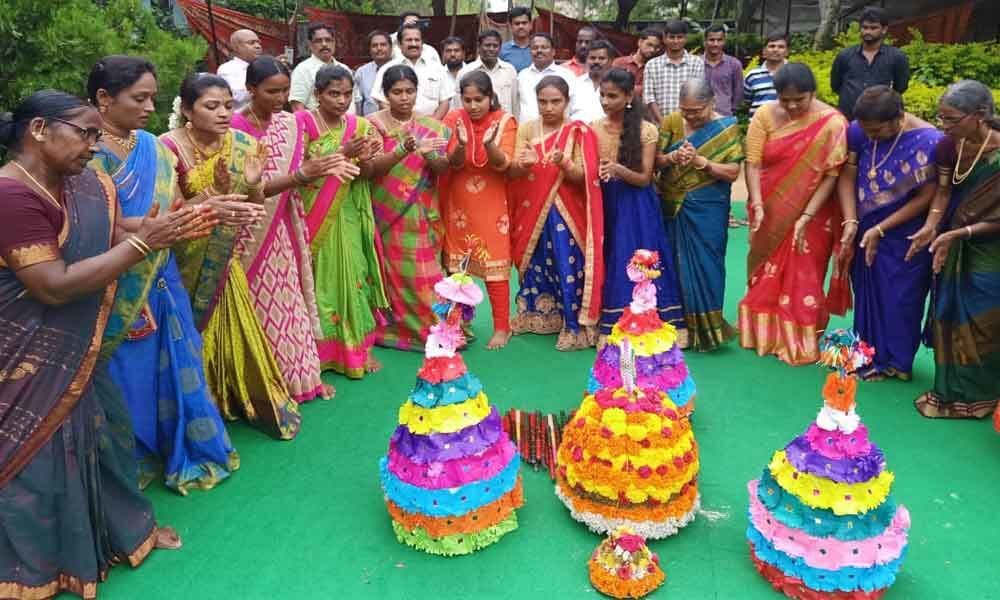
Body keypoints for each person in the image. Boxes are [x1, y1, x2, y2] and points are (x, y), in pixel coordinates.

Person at [0, 89, 190, 599]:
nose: (95, 142)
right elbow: (52, 284)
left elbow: (100, 236)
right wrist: (143, 243)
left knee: (101, 433)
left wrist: (153, 227)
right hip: (22, 356)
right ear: (39, 130)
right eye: (85, 132)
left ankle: (113, 534)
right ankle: (31, 569)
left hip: (74, 351)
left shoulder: (79, 184)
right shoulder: (10, 196)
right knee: (32, 455)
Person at [88, 55, 239, 493]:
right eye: (139, 98)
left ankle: (179, 445)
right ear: (103, 98)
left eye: (153, 97)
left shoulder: (153, 147)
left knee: (176, 354)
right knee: (125, 368)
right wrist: (152, 231)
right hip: (115, 273)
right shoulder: (84, 153)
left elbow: (173, 210)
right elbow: (96, 226)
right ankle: (129, 455)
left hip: (161, 271)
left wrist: (211, 207)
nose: (151, 107)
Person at [161, 73, 302, 439]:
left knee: (233, 324)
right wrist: (210, 201)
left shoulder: (243, 144)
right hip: (184, 258)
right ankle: (197, 408)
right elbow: (168, 210)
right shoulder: (167, 148)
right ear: (188, 111)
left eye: (227, 105)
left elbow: (254, 203)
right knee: (189, 331)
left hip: (225, 255)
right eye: (212, 106)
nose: (224, 113)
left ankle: (232, 397)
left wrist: (254, 185)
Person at [232, 56, 356, 402]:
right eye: (272, 91)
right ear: (250, 89)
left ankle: (303, 377)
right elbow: (245, 190)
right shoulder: (235, 130)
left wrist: (333, 160)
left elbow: (303, 169)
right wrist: (302, 175)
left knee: (292, 300)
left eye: (285, 90)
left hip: (285, 222)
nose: (280, 98)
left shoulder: (289, 123)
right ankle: (265, 386)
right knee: (260, 305)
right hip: (251, 231)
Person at [739, 63, 850, 365]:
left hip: (815, 211)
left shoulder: (832, 123)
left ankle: (798, 341)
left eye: (799, 100)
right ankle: (763, 335)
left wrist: (805, 216)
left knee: (805, 271)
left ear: (812, 93)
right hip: (770, 203)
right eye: (784, 100)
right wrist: (759, 203)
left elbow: (831, 175)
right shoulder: (763, 115)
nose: (790, 106)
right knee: (764, 267)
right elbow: (753, 163)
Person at [834, 86, 940, 381]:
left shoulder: (929, 140)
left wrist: (882, 228)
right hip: (865, 221)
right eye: (867, 130)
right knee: (868, 288)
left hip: (907, 230)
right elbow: (849, 173)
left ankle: (897, 362)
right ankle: (868, 356)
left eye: (877, 130)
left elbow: (926, 197)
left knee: (901, 295)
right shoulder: (858, 130)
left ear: (899, 118)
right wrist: (851, 220)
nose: (871, 137)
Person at [910, 80, 1000, 425]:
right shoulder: (949, 146)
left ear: (979, 116)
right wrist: (931, 227)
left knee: (985, 318)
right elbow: (944, 193)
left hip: (992, 249)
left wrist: (959, 232)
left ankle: (983, 394)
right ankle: (953, 392)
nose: (943, 127)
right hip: (955, 239)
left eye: (951, 119)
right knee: (950, 311)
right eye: (941, 118)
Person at [298, 65, 389, 378]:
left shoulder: (360, 124)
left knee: (355, 273)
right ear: (317, 94)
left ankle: (360, 348)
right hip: (315, 214)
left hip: (349, 210)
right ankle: (321, 352)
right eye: (333, 94)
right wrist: (341, 152)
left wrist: (363, 159)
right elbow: (298, 170)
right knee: (322, 278)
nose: (341, 100)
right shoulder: (304, 122)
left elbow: (369, 173)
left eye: (347, 94)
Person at [508, 75, 605, 350]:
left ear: (567, 101)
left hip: (566, 212)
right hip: (532, 211)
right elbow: (513, 171)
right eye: (542, 102)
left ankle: (573, 325)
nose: (548, 107)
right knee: (536, 262)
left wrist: (564, 162)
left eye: (555, 101)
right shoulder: (527, 129)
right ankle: (537, 315)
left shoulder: (578, 131)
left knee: (567, 262)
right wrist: (524, 165)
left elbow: (582, 178)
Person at [594, 68, 686, 340]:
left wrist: (618, 170)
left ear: (628, 97)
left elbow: (645, 178)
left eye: (612, 96)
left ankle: (650, 322)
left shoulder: (646, 130)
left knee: (633, 257)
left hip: (636, 204)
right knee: (609, 256)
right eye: (602, 95)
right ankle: (611, 319)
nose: (605, 101)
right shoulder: (593, 127)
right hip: (605, 200)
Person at [367, 65, 450, 351]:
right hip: (383, 209)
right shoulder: (372, 125)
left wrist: (429, 155)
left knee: (423, 270)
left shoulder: (432, 127)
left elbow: (443, 167)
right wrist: (402, 146)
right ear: (385, 94)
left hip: (419, 211)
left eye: (409, 91)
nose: (404, 97)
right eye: (397, 92)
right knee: (389, 270)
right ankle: (393, 328)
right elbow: (370, 169)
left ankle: (436, 327)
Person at [656, 79, 743, 351]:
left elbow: (732, 173)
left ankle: (708, 331)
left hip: (709, 207)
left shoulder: (727, 128)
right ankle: (676, 326)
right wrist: (672, 158)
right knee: (672, 261)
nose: (691, 116)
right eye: (686, 111)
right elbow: (654, 159)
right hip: (672, 204)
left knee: (708, 262)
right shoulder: (671, 122)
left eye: (697, 111)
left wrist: (701, 162)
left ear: (711, 103)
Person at [442, 71, 518, 349]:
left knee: (495, 265)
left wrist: (487, 143)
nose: (473, 106)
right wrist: (461, 144)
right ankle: (456, 325)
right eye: (468, 99)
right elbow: (452, 163)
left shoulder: (505, 121)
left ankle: (502, 327)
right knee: (457, 266)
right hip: (459, 200)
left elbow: (503, 165)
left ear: (490, 97)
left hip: (493, 201)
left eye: (479, 100)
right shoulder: (453, 118)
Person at [831, 6, 910, 122]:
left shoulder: (897, 57)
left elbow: (900, 87)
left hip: (881, 119)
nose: (868, 31)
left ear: (884, 29)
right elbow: (836, 85)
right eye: (865, 27)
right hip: (848, 116)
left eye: (873, 28)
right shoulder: (845, 55)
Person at [371, 23, 455, 119]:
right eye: (409, 40)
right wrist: (403, 124)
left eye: (417, 40)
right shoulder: (387, 68)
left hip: (431, 128)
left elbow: (445, 101)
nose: (413, 44)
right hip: (398, 130)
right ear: (399, 44)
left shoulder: (437, 68)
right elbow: (381, 101)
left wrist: (431, 124)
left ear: (422, 42)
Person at [643, 20, 704, 124]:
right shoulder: (652, 65)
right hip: (660, 125)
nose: (675, 41)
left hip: (689, 124)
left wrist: (685, 123)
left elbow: (698, 94)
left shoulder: (696, 62)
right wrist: (664, 123)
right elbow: (649, 97)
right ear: (664, 38)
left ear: (685, 38)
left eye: (679, 37)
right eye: (671, 37)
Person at [290, 23, 356, 112]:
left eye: (328, 40)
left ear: (334, 42)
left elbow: (354, 101)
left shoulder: (345, 69)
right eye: (318, 41)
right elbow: (297, 106)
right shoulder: (302, 70)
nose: (324, 44)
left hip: (349, 124)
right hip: (318, 124)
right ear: (310, 45)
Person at [517, 32, 577, 122]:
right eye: (535, 48)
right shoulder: (522, 75)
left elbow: (574, 106)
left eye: (544, 47)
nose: (539, 51)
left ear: (553, 51)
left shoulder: (567, 75)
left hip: (559, 131)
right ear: (530, 51)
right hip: (527, 132)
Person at [458, 29, 519, 115]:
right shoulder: (466, 72)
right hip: (475, 125)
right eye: (487, 45)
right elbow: (459, 105)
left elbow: (515, 103)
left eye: (495, 46)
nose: (491, 49)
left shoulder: (509, 70)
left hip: (504, 123)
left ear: (500, 48)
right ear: (479, 46)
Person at [701, 25, 743, 117]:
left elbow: (738, 93)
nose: (715, 44)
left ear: (724, 41)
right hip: (699, 116)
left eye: (719, 40)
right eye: (711, 40)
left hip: (725, 116)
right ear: (704, 42)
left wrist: (732, 110)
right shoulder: (697, 63)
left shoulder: (734, 64)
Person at [612, 28, 661, 105]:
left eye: (656, 47)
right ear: (640, 42)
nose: (652, 50)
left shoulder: (656, 68)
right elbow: (613, 87)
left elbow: (654, 92)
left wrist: (627, 89)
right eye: (649, 45)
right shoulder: (619, 63)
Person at [744, 33, 789, 117]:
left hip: (786, 126)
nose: (776, 50)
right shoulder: (752, 75)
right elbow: (747, 101)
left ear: (787, 52)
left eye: (781, 47)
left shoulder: (794, 73)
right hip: (758, 126)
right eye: (772, 46)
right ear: (764, 51)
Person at [217, 28, 263, 110]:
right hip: (240, 119)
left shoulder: (261, 66)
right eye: (251, 43)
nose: (258, 46)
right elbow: (238, 96)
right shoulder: (227, 69)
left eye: (258, 42)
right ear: (236, 47)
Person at [574, 39, 614, 124]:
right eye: (592, 58)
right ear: (586, 60)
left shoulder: (616, 86)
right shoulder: (574, 84)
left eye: (601, 58)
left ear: (610, 61)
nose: (596, 61)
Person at [355, 30, 394, 116]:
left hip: (396, 124)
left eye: (383, 45)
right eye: (374, 45)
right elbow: (358, 102)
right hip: (370, 125)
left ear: (391, 47)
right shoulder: (362, 72)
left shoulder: (401, 69)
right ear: (369, 49)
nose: (379, 48)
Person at [501, 6, 534, 72]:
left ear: (530, 25)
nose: (521, 26)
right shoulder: (501, 50)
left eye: (524, 23)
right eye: (517, 23)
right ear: (510, 26)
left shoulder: (538, 48)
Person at [441, 36, 466, 109]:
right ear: (443, 54)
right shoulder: (437, 75)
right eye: (448, 51)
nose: (452, 54)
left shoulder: (472, 72)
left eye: (456, 50)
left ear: (463, 53)